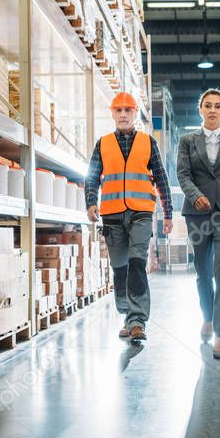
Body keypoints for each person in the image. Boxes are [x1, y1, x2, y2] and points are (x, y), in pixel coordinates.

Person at [84, 92, 173, 342]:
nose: (123, 114)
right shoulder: (102, 144)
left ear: (135, 114)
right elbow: (92, 177)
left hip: (141, 213)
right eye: (118, 110)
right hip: (112, 215)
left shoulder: (147, 142)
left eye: (128, 110)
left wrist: (168, 212)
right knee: (120, 268)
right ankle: (127, 312)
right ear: (112, 114)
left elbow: (162, 178)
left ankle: (137, 320)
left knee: (136, 262)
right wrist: (91, 203)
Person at [176, 89, 220, 358]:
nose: (213, 110)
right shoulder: (187, 141)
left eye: (218, 106)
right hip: (198, 214)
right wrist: (196, 197)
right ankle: (207, 315)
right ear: (201, 110)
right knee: (202, 271)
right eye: (208, 105)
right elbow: (183, 174)